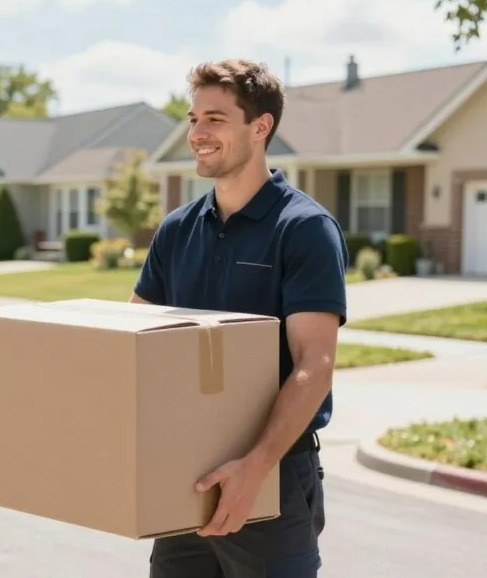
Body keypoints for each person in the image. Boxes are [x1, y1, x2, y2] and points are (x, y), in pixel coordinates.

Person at [132, 59, 348, 578]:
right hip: (187, 475)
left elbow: (313, 364)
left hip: (270, 474)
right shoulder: (177, 229)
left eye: (215, 119)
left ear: (261, 126)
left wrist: (255, 467)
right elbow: (134, 342)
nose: (197, 134)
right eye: (192, 119)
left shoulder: (303, 228)